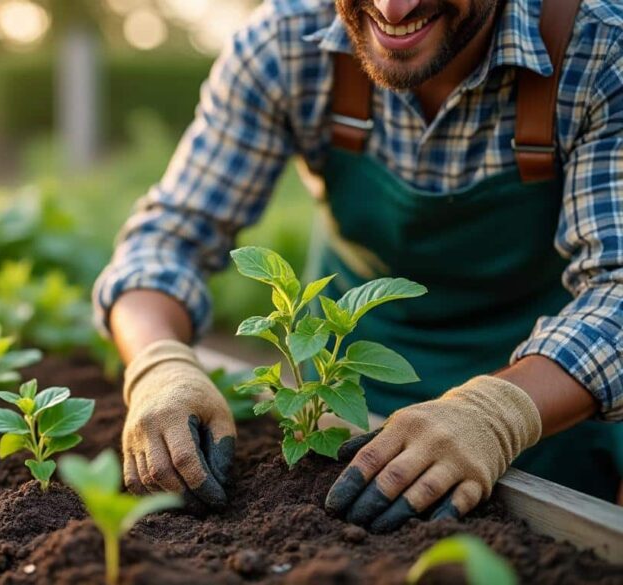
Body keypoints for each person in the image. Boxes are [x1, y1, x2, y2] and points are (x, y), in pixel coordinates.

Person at [93, 0, 623, 532]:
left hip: (543, 420)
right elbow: (168, 239)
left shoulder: (599, 48)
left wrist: (496, 415)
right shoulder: (289, 42)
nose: (394, 9)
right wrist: (158, 365)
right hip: (344, 405)